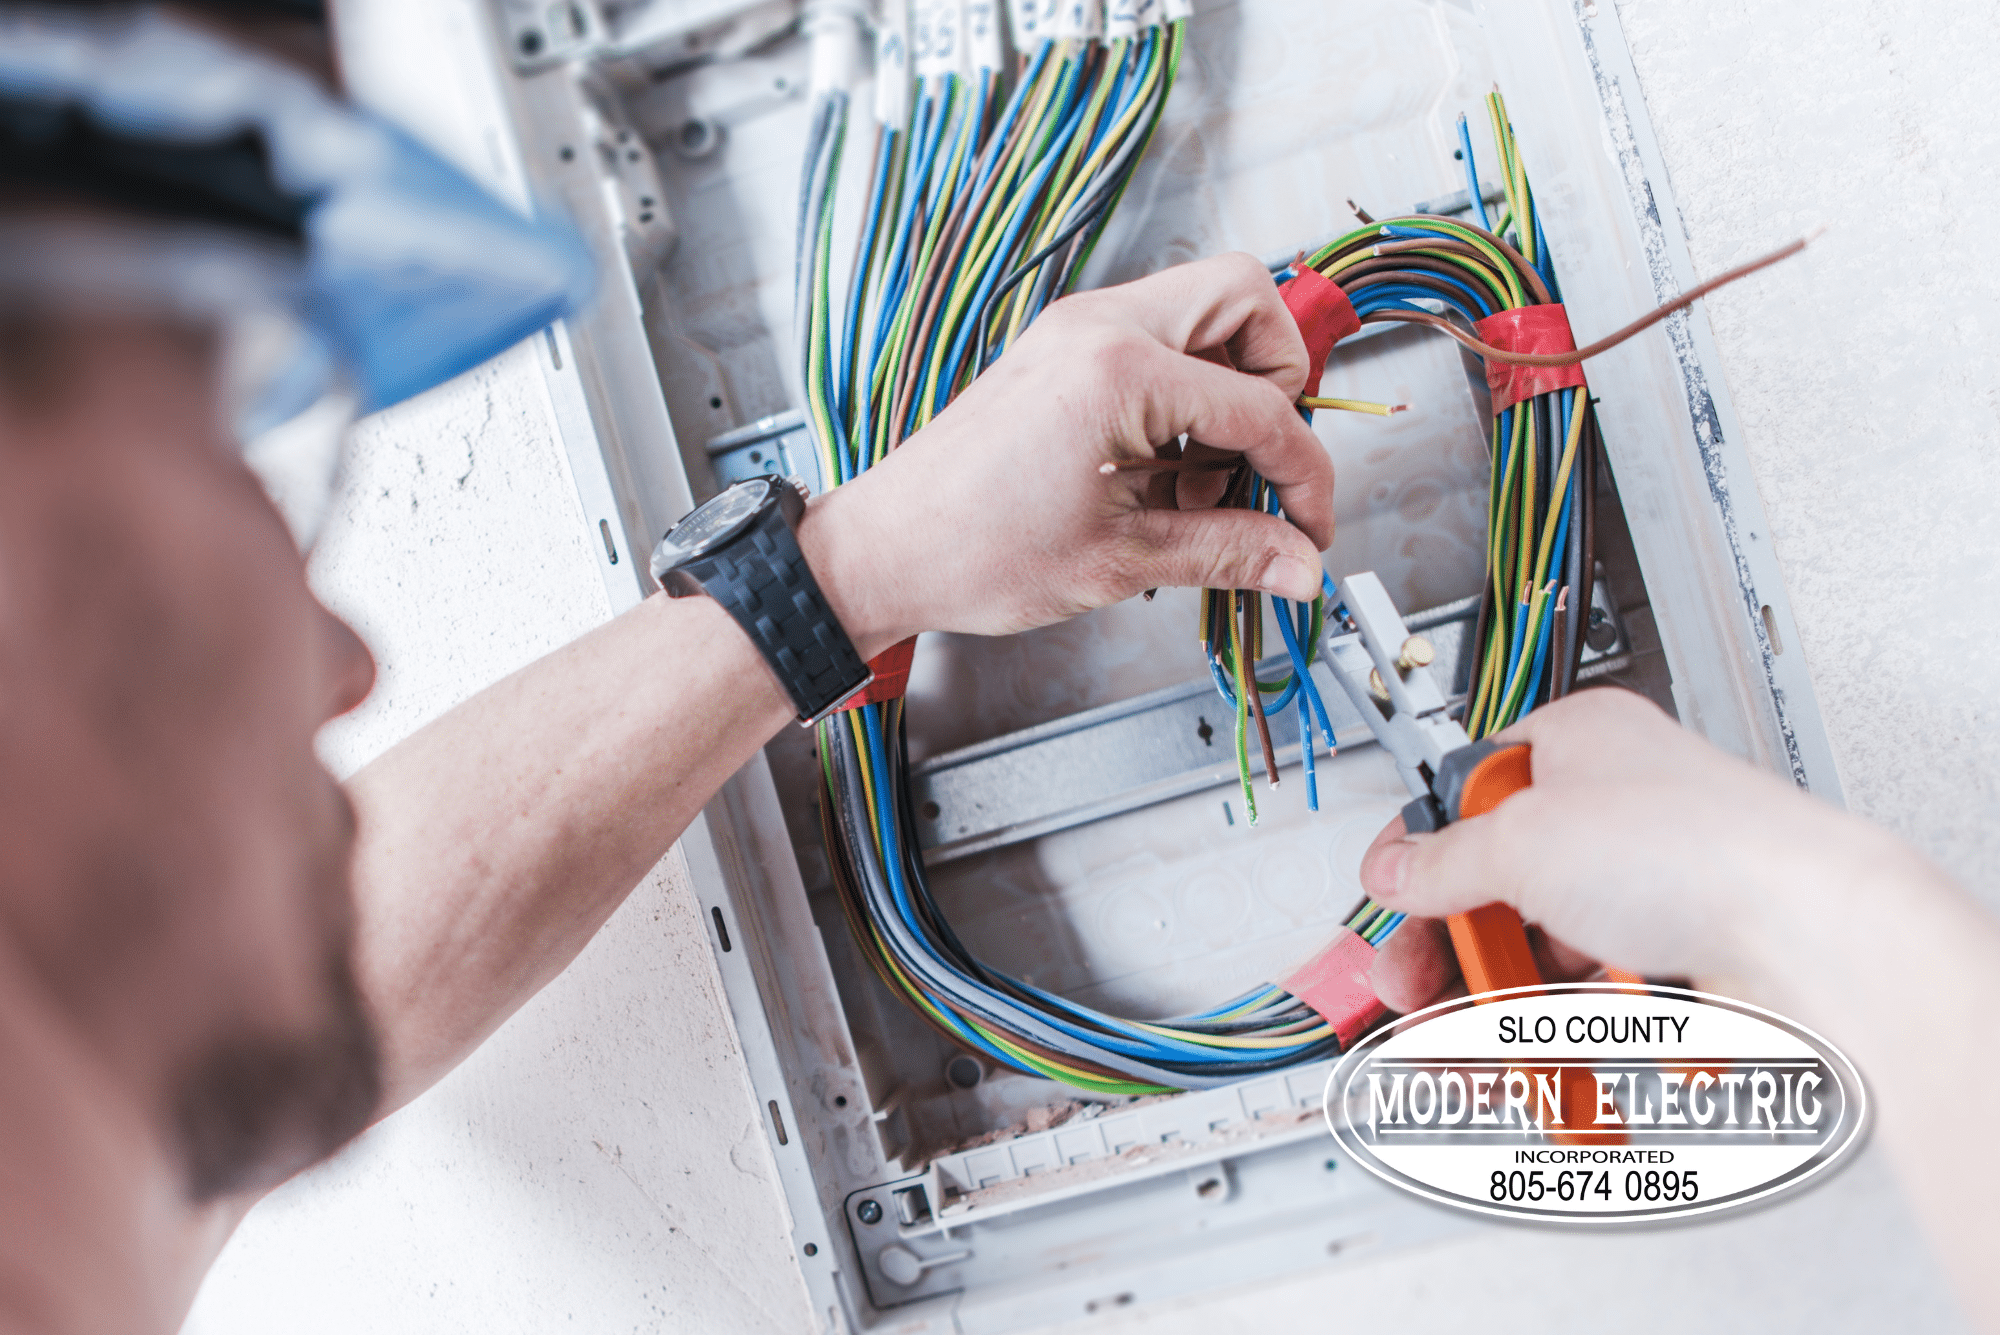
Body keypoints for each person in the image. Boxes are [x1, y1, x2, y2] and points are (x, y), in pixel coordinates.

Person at [0, 6, 1991, 1335]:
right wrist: (1809, 902)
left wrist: (856, 562)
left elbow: (324, 948)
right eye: (219, 467)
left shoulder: (98, 1125)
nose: (343, 655)